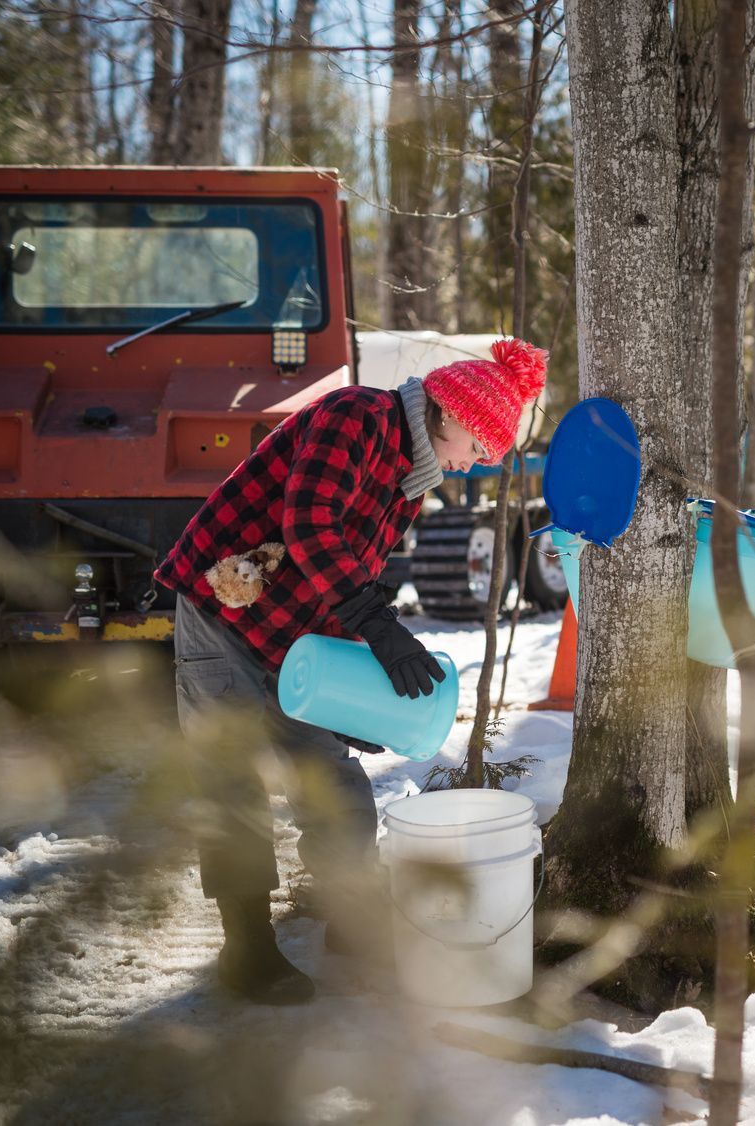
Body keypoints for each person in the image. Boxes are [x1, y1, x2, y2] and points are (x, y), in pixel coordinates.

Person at [155, 338, 548, 1004]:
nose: (471, 466)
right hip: (223, 609)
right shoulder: (356, 415)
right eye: (478, 448)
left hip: (294, 639)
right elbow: (308, 527)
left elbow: (345, 575)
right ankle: (245, 947)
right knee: (231, 783)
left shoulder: (405, 481)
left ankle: (353, 920)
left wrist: (350, 697)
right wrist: (378, 626)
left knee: (336, 784)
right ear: (450, 413)